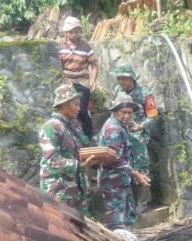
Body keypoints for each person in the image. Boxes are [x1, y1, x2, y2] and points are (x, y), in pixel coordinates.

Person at [39, 84, 95, 216]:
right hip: (59, 190)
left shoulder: (75, 124)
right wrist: (79, 165)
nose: (79, 109)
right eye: (76, 105)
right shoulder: (50, 127)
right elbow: (53, 160)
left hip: (77, 188)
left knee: (82, 224)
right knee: (62, 224)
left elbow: (84, 145)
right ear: (64, 105)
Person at [97, 94, 151, 230]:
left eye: (130, 113)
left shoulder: (121, 125)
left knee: (125, 216)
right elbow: (114, 158)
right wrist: (136, 174)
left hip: (120, 179)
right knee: (118, 221)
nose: (127, 116)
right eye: (123, 112)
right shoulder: (113, 129)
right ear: (114, 112)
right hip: (113, 181)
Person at [112, 63, 159, 214]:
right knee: (125, 166)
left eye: (123, 78)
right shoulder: (117, 90)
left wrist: (141, 126)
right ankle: (130, 202)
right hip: (121, 133)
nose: (120, 82)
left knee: (141, 166)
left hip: (138, 136)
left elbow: (153, 115)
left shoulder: (145, 94)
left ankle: (143, 202)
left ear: (131, 78)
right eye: (118, 78)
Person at [59, 16, 99, 139]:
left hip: (82, 81)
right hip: (66, 81)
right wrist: (64, 80)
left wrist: (93, 80)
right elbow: (57, 66)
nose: (75, 34)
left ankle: (87, 137)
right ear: (66, 32)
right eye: (72, 32)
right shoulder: (60, 45)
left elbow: (94, 65)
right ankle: (71, 136)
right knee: (66, 110)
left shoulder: (85, 46)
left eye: (77, 31)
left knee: (81, 109)